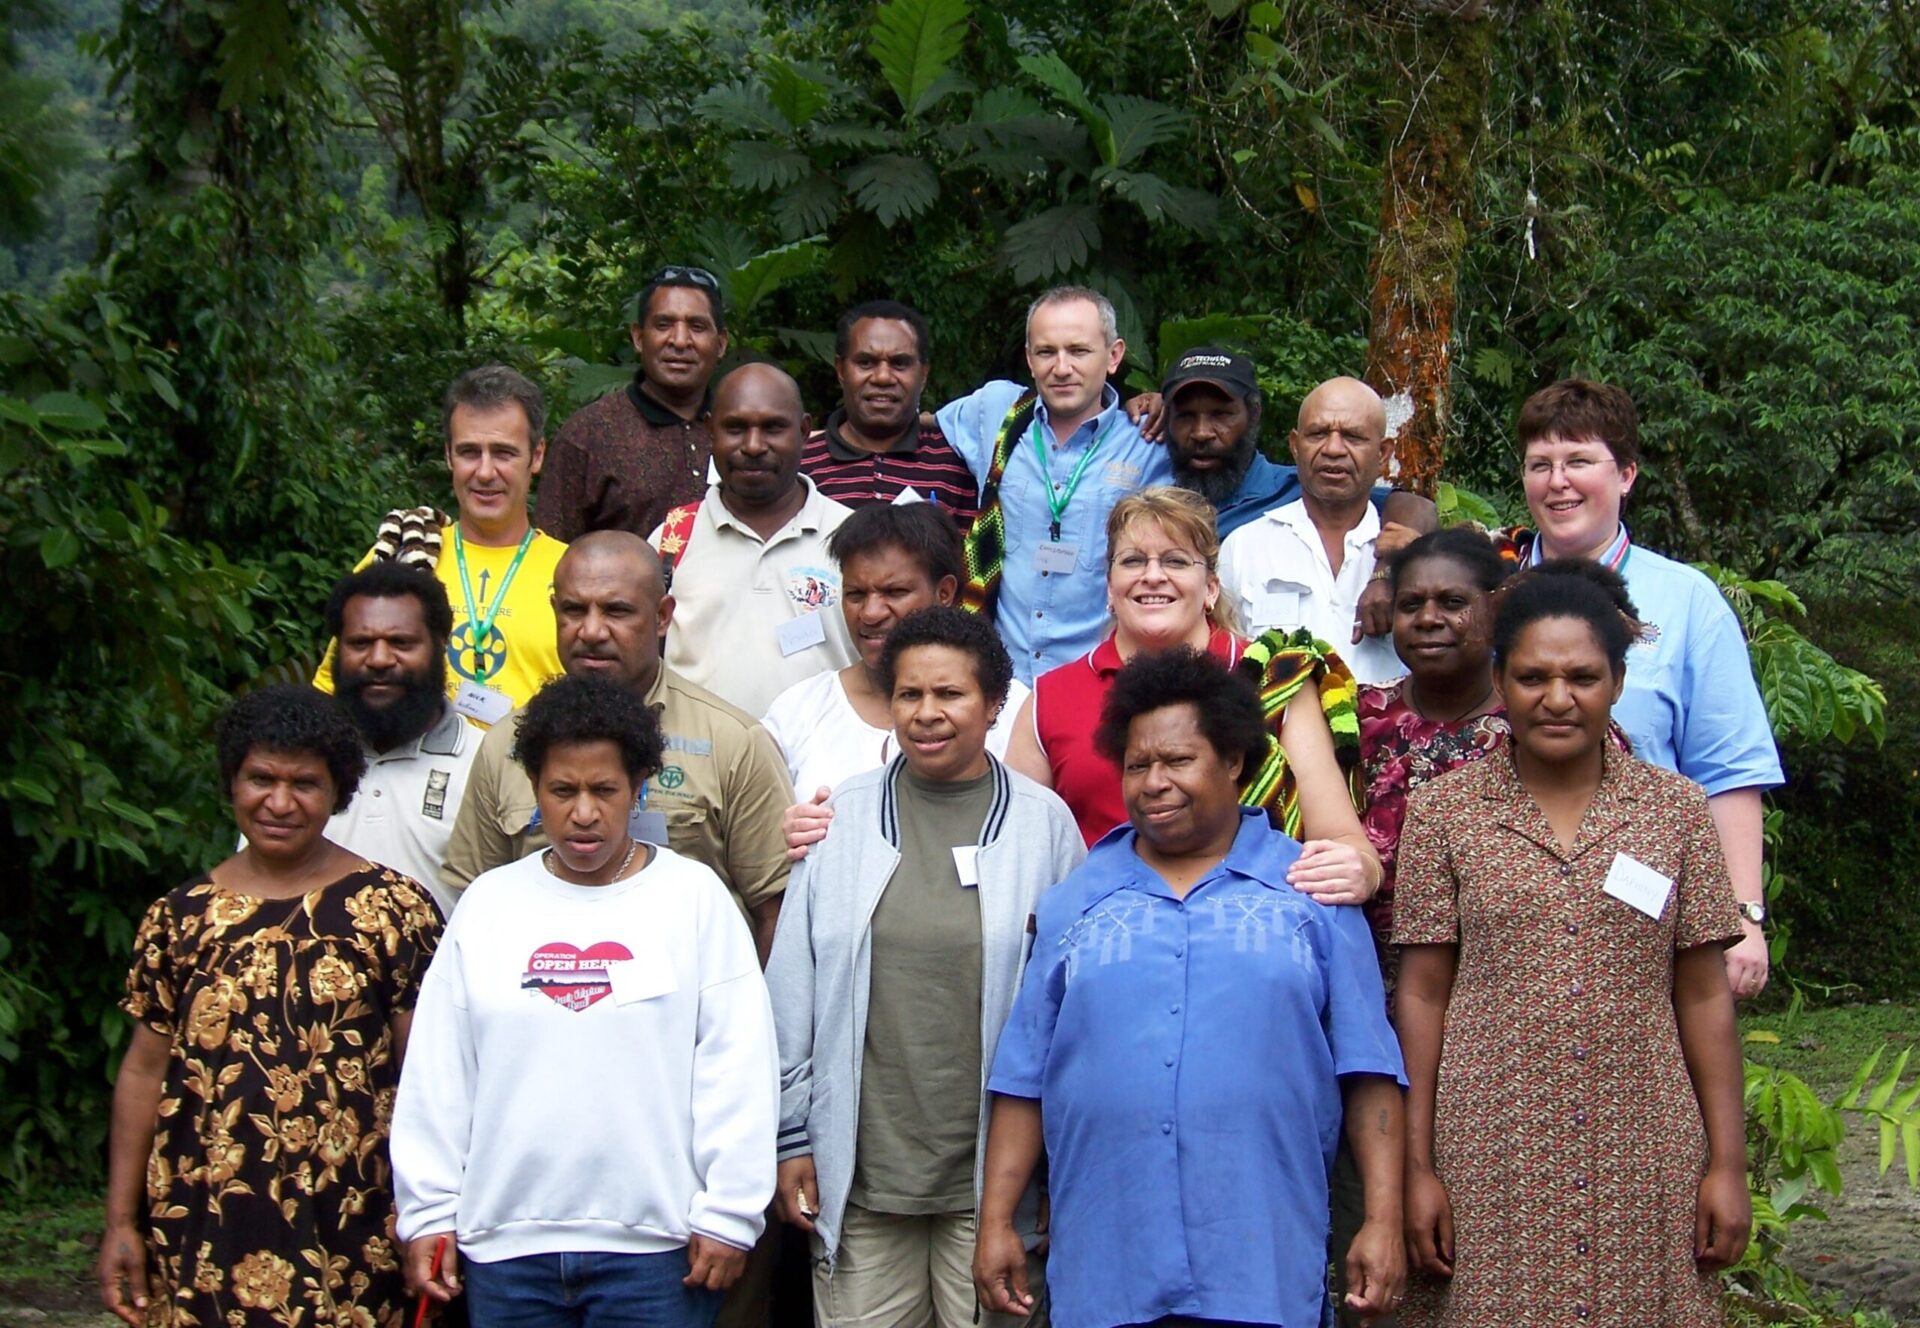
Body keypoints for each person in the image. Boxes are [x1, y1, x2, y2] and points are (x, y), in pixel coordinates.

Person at [975, 649, 1408, 1328]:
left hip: (1263, 1267)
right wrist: (997, 1220)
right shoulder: (1074, 903)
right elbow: (1024, 1075)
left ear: (1233, 761)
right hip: (1107, 1266)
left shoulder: (1312, 893)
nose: (1154, 783)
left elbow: (1370, 1070)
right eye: (1138, 765)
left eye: (1178, 761)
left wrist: (1383, 1219)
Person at [1392, 560, 1751, 1327]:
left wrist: (1727, 1163)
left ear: (1617, 683)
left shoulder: (1677, 812)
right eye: (1532, 678)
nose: (1558, 699)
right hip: (1489, 1148)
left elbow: (1703, 991)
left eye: (1583, 677)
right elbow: (1421, 992)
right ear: (1500, 681)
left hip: (1646, 1143)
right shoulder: (1444, 813)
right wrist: (1415, 1168)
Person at [393, 675, 779, 1328]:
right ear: (533, 786)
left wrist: (731, 1212)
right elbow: (439, 1072)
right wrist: (428, 1213)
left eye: (604, 790)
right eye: (561, 791)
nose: (583, 813)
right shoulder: (489, 904)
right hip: (507, 1251)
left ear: (640, 785)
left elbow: (736, 1064)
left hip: (658, 1252)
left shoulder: (694, 899)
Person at [765, 606, 1083, 1328]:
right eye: (910, 695)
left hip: (994, 1187)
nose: (927, 714)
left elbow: (1071, 1007)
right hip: (863, 1175)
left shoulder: (1044, 826)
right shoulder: (840, 817)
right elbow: (793, 995)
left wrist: (1057, 1168)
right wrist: (791, 1140)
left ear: (994, 703)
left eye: (951, 695)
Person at [98, 685, 441, 1328]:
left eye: (305, 784)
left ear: (338, 792)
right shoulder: (180, 919)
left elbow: (431, 1074)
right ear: (232, 781)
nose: (279, 803)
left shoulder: (393, 910)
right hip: (204, 1223)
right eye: (261, 779)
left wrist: (432, 1211)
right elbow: (144, 1073)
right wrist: (120, 1221)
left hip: (354, 1224)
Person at [1505, 378, 1782, 998]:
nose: (1558, 482)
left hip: (1648, 913)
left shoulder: (1687, 601)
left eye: (1579, 461)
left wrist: (1744, 915)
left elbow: (1729, 769)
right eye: (1539, 464)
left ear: (1626, 474)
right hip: (1504, 913)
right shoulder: (1489, 591)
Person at [1000, 488, 1381, 902]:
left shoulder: (1274, 677)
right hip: (1102, 937)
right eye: (1132, 561)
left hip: (1254, 931)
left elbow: (1346, 843)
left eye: (1176, 561)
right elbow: (1016, 855)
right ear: (1110, 588)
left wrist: (1360, 871)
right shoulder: (1050, 698)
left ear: (1212, 588)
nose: (1152, 576)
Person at [441, 531, 793, 962]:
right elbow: (472, 901)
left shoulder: (733, 743)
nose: (591, 631)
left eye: (617, 611)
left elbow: (777, 914)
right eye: (573, 610)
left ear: (662, 617)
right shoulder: (506, 745)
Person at [937, 286, 1174, 683]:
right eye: (1046, 352)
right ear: (1030, 359)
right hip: (1002, 682)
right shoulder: (997, 412)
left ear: (1114, 356)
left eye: (1079, 351)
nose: (1061, 368)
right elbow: (914, 425)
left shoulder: (1149, 442)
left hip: (1101, 680)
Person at [314, 365, 567, 728]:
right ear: (448, 455)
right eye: (469, 452)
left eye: (503, 453)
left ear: (537, 455)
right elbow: (332, 690)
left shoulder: (571, 572)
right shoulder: (400, 558)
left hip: (526, 780)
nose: (484, 472)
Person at [763, 502, 1028, 804]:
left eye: (895, 592)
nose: (871, 613)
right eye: (856, 595)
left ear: (945, 593)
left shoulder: (1013, 711)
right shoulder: (798, 712)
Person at [654, 362, 858, 718]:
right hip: (700, 764)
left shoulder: (853, 536)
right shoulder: (671, 540)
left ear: (805, 431)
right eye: (735, 428)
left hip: (822, 766)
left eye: (773, 428)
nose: (752, 446)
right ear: (709, 431)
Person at [1218, 376, 1412, 684]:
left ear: (1383, 453)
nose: (1333, 449)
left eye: (1353, 436)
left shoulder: (1409, 552)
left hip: (1389, 730)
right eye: (1318, 434)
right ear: (1295, 446)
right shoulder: (1244, 547)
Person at [322, 561, 477, 917]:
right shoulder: (303, 765)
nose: (379, 659)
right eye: (361, 643)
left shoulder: (486, 763)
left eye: (401, 643)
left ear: (441, 645)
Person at [536, 265, 730, 541]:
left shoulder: (740, 431)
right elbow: (552, 554)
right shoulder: (587, 436)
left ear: (721, 343)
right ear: (639, 337)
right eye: (664, 325)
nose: (679, 340)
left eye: (697, 327)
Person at [799, 301, 982, 528]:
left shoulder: (957, 465)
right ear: (840, 370)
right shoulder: (800, 466)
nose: (883, 377)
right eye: (865, 362)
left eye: (899, 363)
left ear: (923, 374)